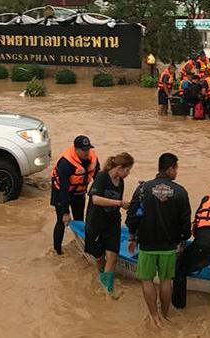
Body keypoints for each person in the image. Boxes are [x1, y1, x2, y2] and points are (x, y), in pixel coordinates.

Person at [126, 153, 191, 326]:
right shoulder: (180, 192)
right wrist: (183, 239)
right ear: (170, 168)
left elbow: (132, 216)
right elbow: (185, 223)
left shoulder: (142, 189)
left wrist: (132, 237)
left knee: (147, 280)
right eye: (176, 168)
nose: (176, 172)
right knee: (166, 281)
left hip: (147, 245)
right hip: (169, 246)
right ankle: (165, 313)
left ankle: (154, 316)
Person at [85, 152, 134, 297]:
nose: (128, 173)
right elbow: (95, 199)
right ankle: (102, 278)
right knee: (99, 257)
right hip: (96, 223)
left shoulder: (121, 182)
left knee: (112, 257)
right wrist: (119, 203)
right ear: (119, 167)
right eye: (127, 170)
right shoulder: (102, 177)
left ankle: (108, 290)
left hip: (112, 223)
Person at [51, 135, 100, 255]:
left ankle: (82, 248)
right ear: (76, 149)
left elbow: (98, 178)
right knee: (61, 222)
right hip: (61, 193)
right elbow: (63, 189)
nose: (86, 152)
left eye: (88, 149)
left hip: (79, 193)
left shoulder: (93, 158)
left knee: (79, 221)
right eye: (83, 150)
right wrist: (65, 212)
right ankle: (57, 251)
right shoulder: (66, 163)